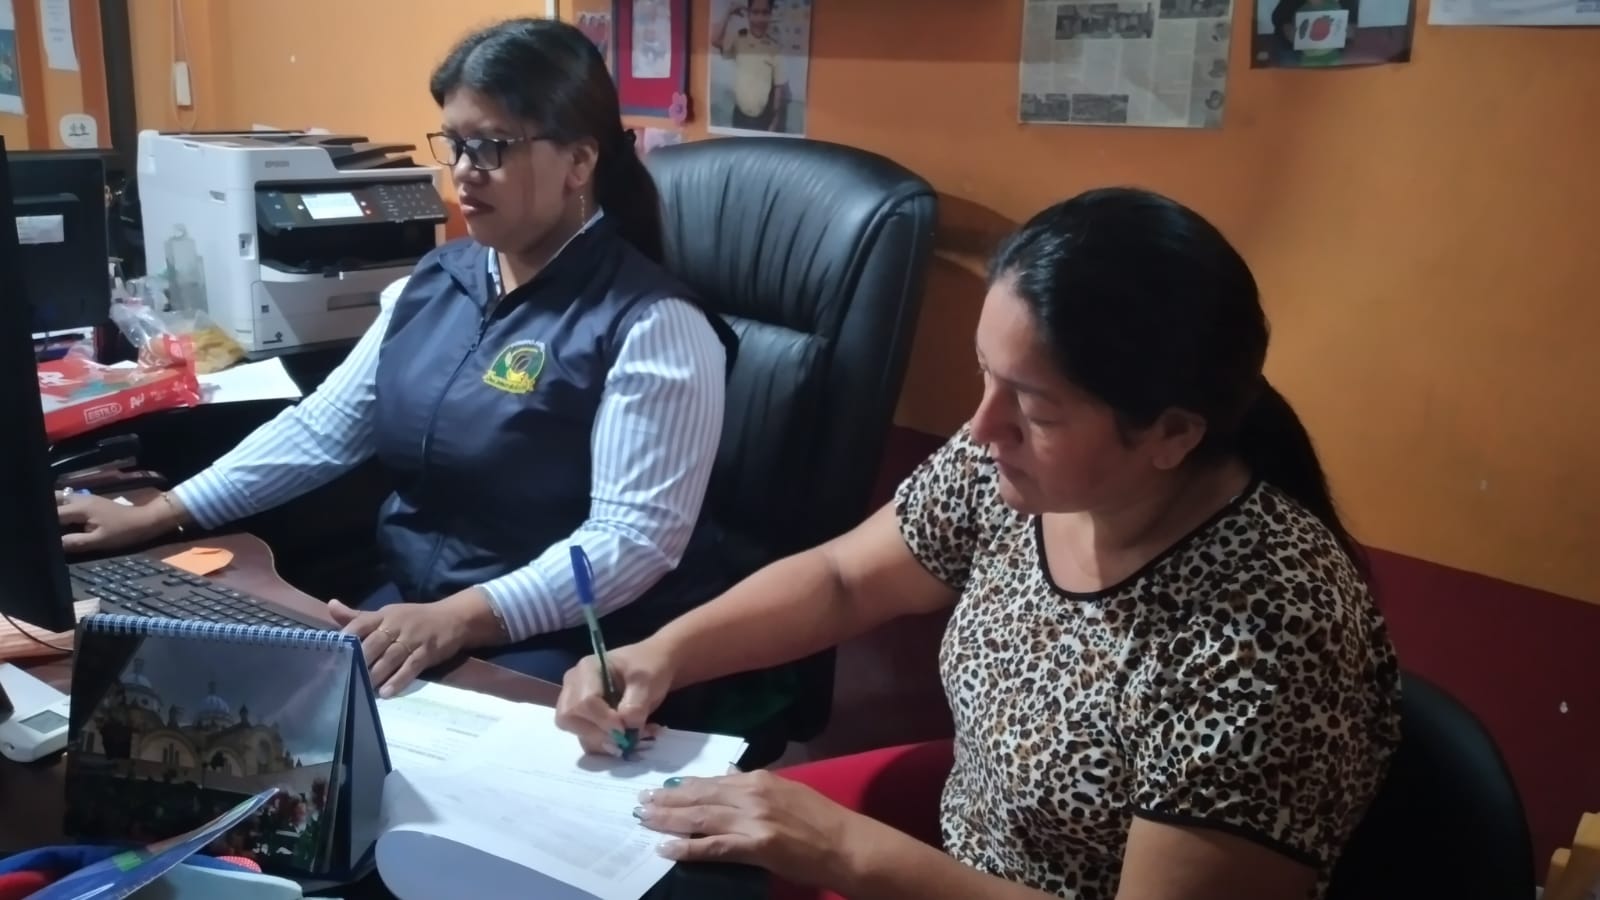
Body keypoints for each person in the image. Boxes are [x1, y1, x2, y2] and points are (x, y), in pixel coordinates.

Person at [556, 188, 1402, 900]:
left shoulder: (1270, 630)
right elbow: (847, 578)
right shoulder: (1016, 470)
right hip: (954, 855)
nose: (982, 426)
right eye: (984, 375)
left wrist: (846, 849)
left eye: (1033, 409)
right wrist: (661, 654)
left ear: (1172, 433)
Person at [57, 18, 738, 697]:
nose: (464, 171)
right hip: (416, 608)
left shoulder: (652, 324)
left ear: (579, 163)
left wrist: (461, 618)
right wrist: (157, 512)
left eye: (492, 147)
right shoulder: (436, 282)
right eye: (457, 145)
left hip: (575, 641)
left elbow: (632, 539)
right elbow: (321, 430)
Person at [712, 0, 788, 132]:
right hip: (739, 115)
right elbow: (715, 40)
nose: (759, 18)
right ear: (749, 15)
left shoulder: (775, 48)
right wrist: (728, 12)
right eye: (755, 12)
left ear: (770, 15)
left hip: (763, 119)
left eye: (765, 13)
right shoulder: (739, 39)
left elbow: (778, 88)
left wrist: (774, 123)